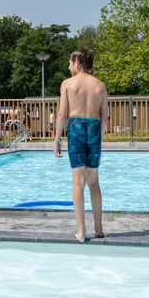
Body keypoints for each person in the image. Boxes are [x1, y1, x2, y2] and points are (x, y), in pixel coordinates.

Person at [53, 48, 110, 242]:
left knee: (78, 182)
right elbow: (104, 119)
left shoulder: (68, 84)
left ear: (77, 62)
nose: (69, 67)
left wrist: (57, 139)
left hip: (76, 128)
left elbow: (62, 114)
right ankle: (98, 228)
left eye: (70, 63)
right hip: (94, 129)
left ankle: (81, 231)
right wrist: (98, 138)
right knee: (93, 181)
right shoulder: (100, 86)